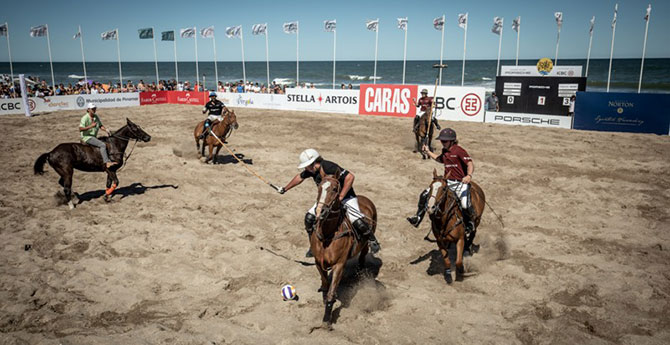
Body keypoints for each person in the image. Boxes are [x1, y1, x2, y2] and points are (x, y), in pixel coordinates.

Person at [278, 149, 381, 257]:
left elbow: (350, 177)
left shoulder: (328, 167)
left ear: (314, 163)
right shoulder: (311, 170)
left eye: (307, 165)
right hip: (326, 200)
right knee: (309, 218)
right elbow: (299, 178)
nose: (305, 168)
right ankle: (312, 246)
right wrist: (285, 189)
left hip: (346, 197)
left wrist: (341, 196)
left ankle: (372, 240)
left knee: (356, 219)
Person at [406, 128, 478, 254]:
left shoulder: (459, 150)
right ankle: (418, 217)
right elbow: (439, 159)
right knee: (425, 194)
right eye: (442, 141)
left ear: (452, 141)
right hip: (447, 182)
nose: (443, 143)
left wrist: (469, 176)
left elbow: (470, 163)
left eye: (445, 141)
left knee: (465, 203)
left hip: (460, 182)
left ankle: (470, 224)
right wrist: (428, 152)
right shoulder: (445, 151)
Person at [79, 103, 116, 169]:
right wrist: (90, 126)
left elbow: (100, 125)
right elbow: (80, 129)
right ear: (88, 109)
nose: (94, 110)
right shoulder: (84, 118)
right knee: (102, 145)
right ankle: (106, 162)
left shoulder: (96, 116)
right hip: (87, 137)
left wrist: (106, 130)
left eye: (95, 108)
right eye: (92, 109)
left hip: (93, 137)